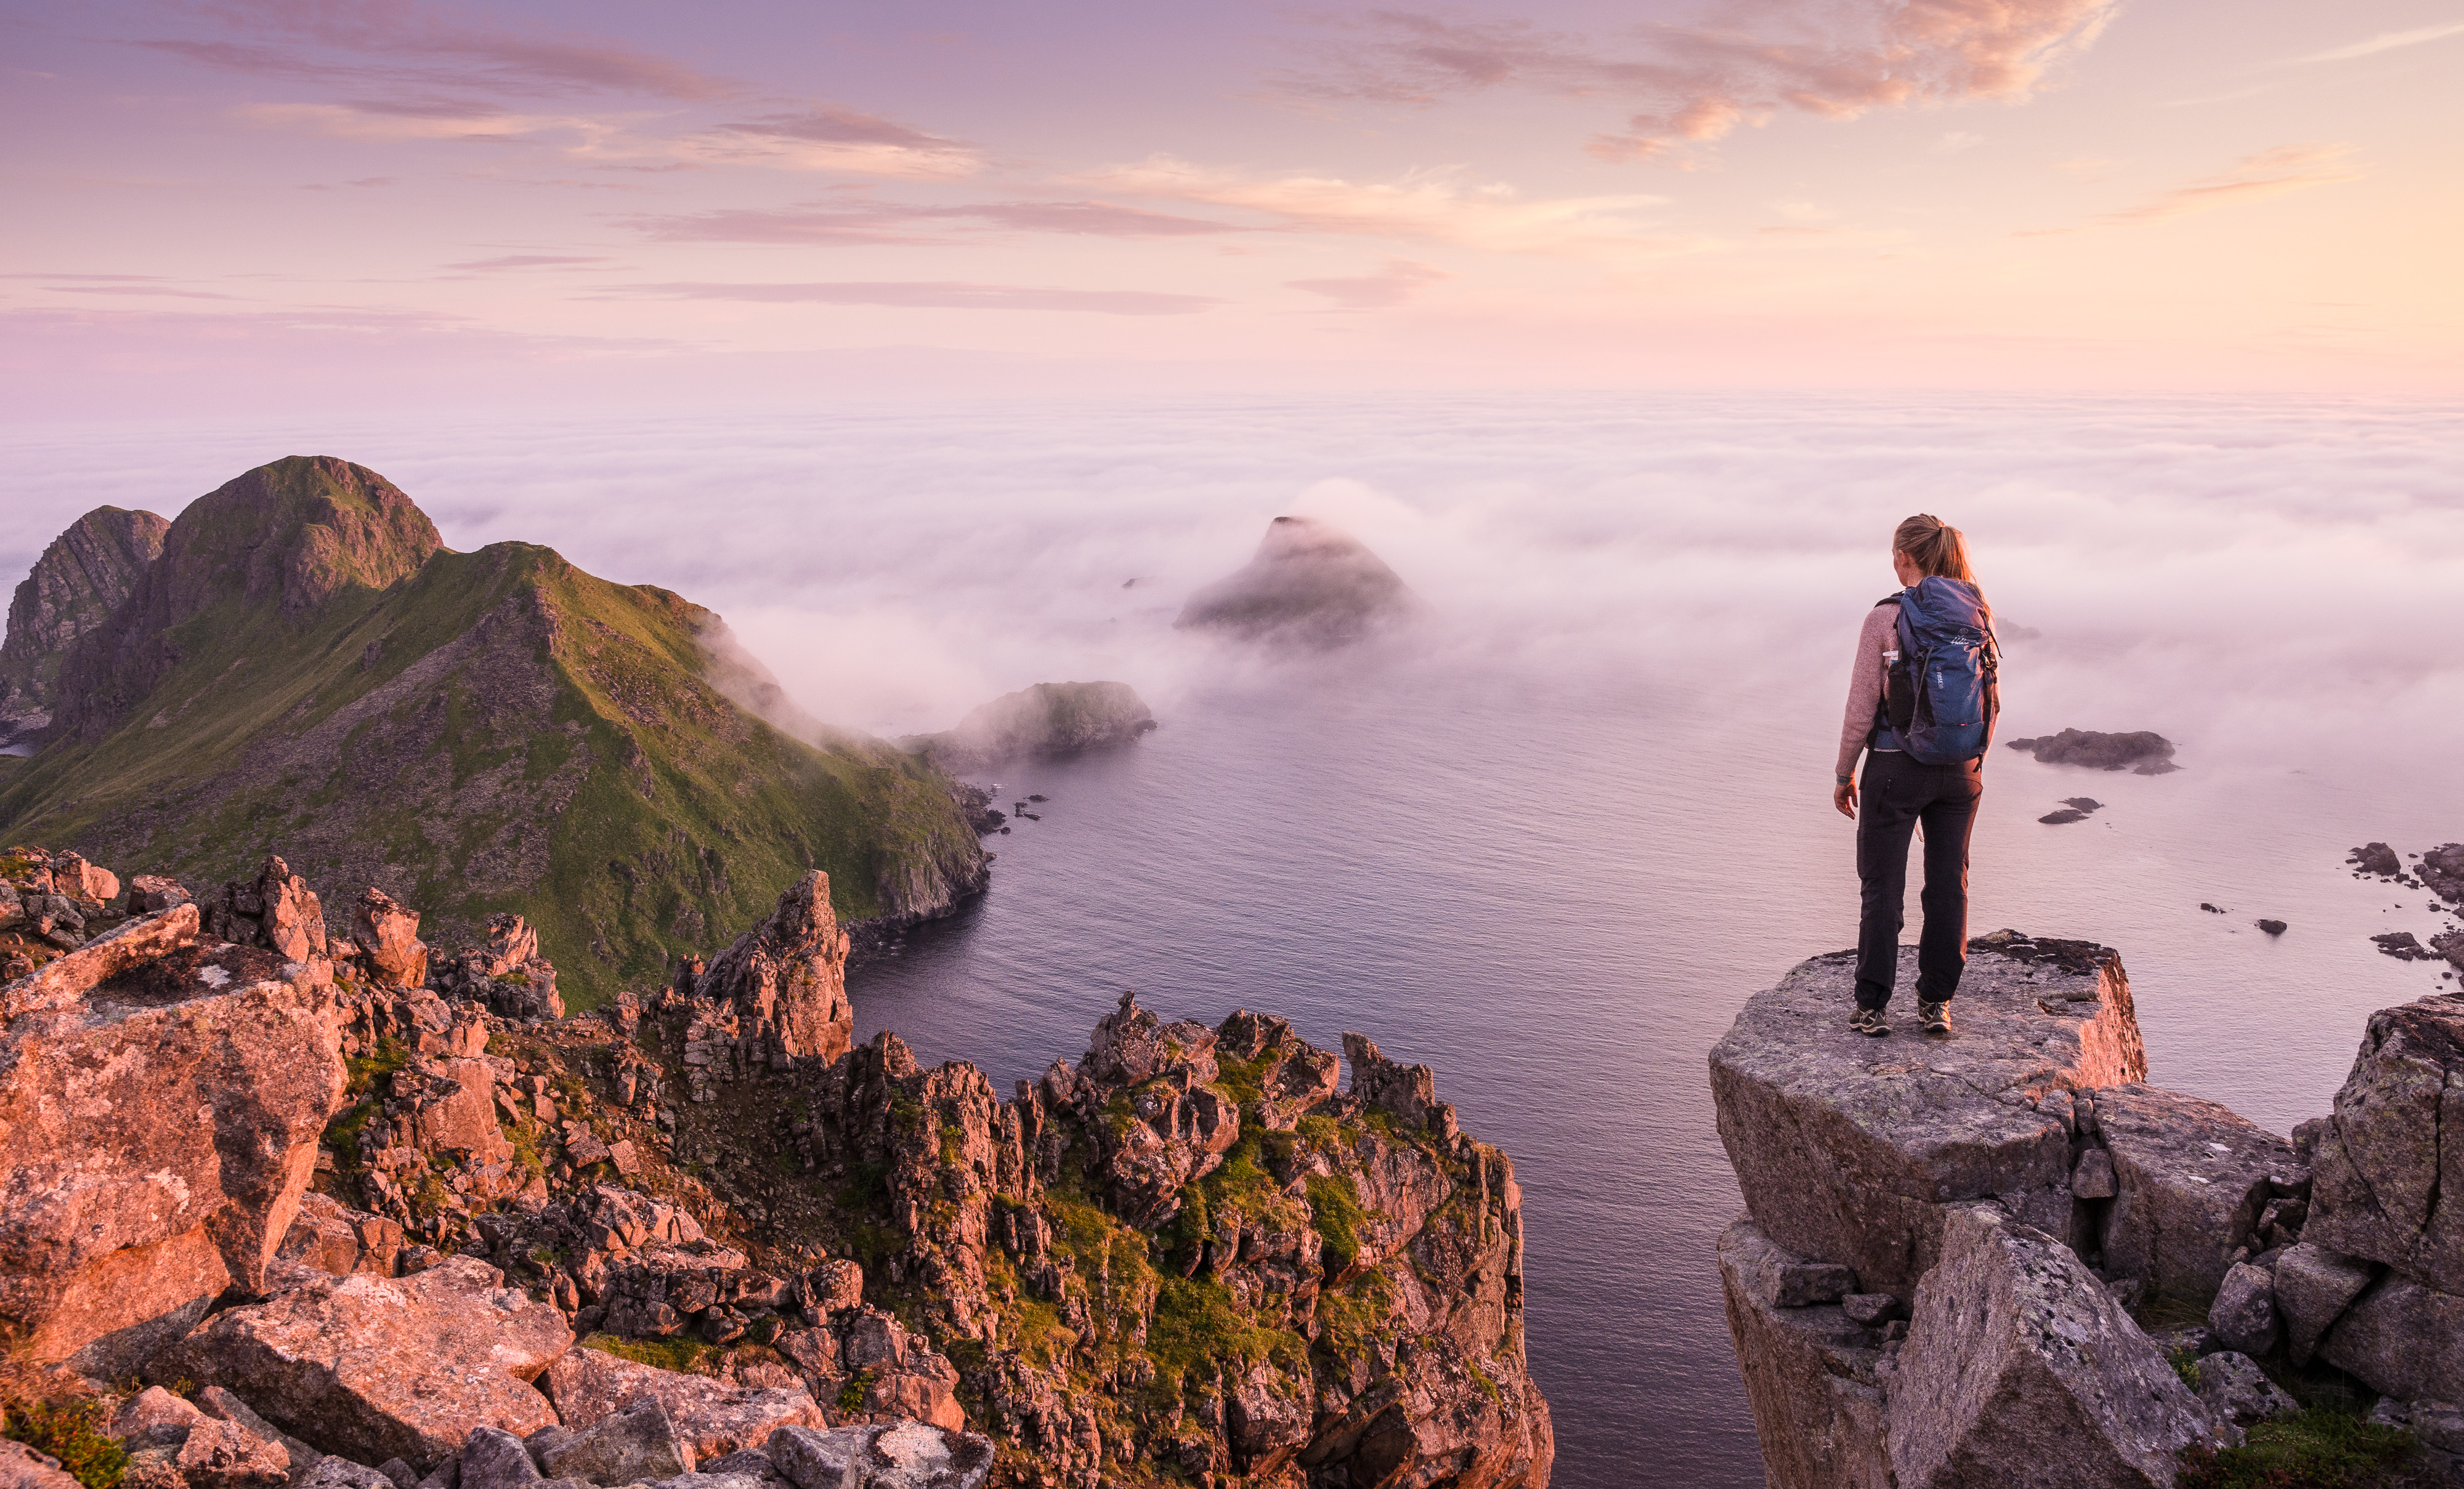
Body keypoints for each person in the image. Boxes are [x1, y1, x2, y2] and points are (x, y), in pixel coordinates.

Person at [1831, 515, 1999, 1037]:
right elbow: (1989, 697)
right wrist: (1973, 764)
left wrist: (1844, 773)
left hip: (1893, 770)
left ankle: (1872, 1007)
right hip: (1961, 772)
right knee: (1949, 885)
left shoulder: (1885, 618)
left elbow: (1862, 707)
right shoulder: (1975, 611)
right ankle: (1936, 1005)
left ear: (1905, 558)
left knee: (1883, 888)